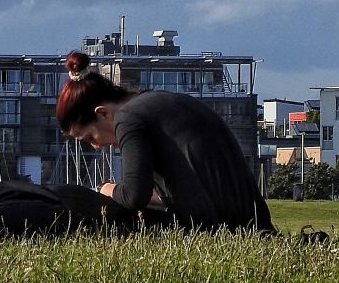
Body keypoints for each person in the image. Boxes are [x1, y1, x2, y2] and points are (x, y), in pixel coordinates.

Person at [56, 51, 275, 234]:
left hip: (222, 227)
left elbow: (134, 196)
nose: (96, 146)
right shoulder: (156, 102)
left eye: (90, 137)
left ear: (103, 114)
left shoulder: (128, 118)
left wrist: (106, 188)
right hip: (251, 222)